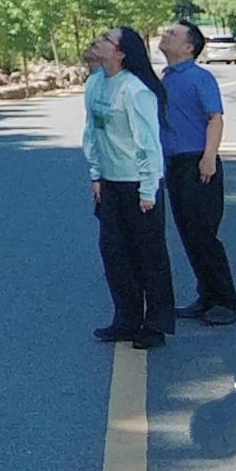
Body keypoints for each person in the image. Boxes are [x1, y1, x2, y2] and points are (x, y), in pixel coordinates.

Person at [83, 26, 177, 348]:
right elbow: (92, 133)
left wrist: (148, 189)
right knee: (115, 253)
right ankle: (126, 319)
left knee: (149, 255)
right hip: (110, 183)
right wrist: (96, 174)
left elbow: (148, 143)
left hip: (138, 183)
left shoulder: (136, 89)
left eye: (106, 39)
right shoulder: (95, 83)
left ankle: (156, 324)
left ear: (121, 53)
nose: (98, 40)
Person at [158, 21, 236, 326]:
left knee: (204, 236)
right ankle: (206, 297)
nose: (164, 35)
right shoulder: (166, 78)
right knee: (189, 235)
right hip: (175, 164)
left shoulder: (199, 77)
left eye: (172, 34)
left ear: (188, 47)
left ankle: (227, 302)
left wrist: (209, 157)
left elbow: (215, 118)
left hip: (197, 162)